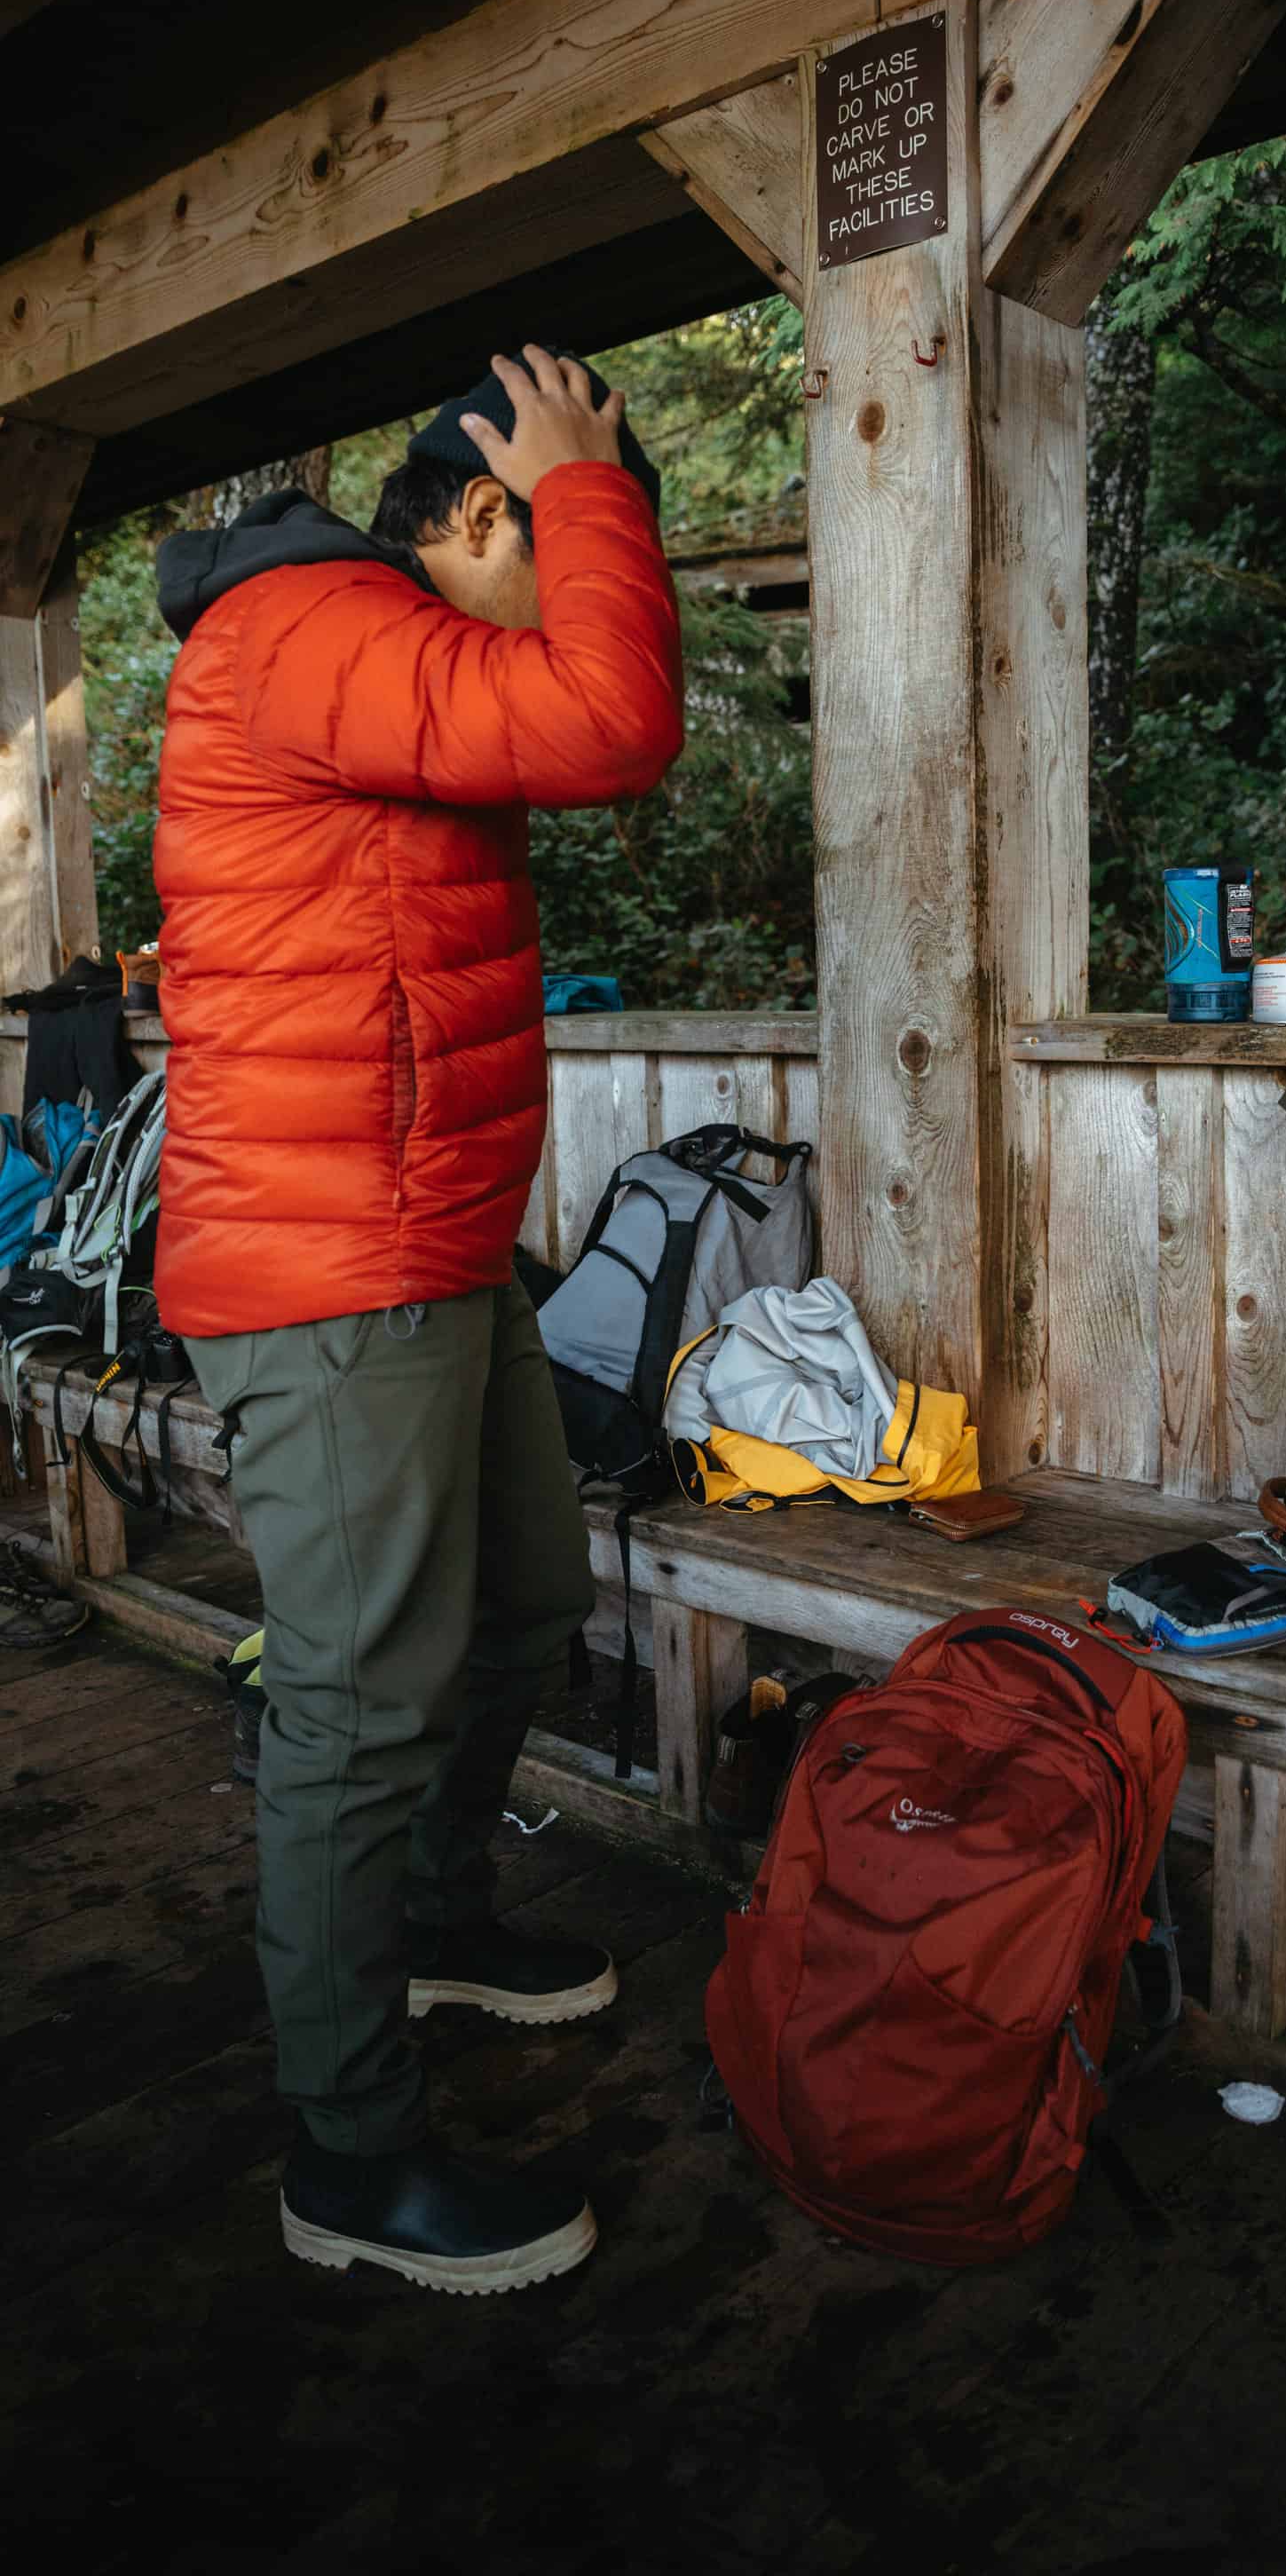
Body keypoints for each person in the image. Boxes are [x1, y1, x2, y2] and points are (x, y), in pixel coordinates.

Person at [152, 347, 684, 2295]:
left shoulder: (374, 652)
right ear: (478, 520)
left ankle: (442, 1919)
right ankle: (349, 2156)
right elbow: (614, 716)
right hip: (328, 1273)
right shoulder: (307, 629)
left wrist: (590, 508)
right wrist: (581, 482)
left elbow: (582, 709)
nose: (576, 577)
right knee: (361, 1707)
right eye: (552, 536)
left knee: (529, 1597)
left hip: (433, 1249)